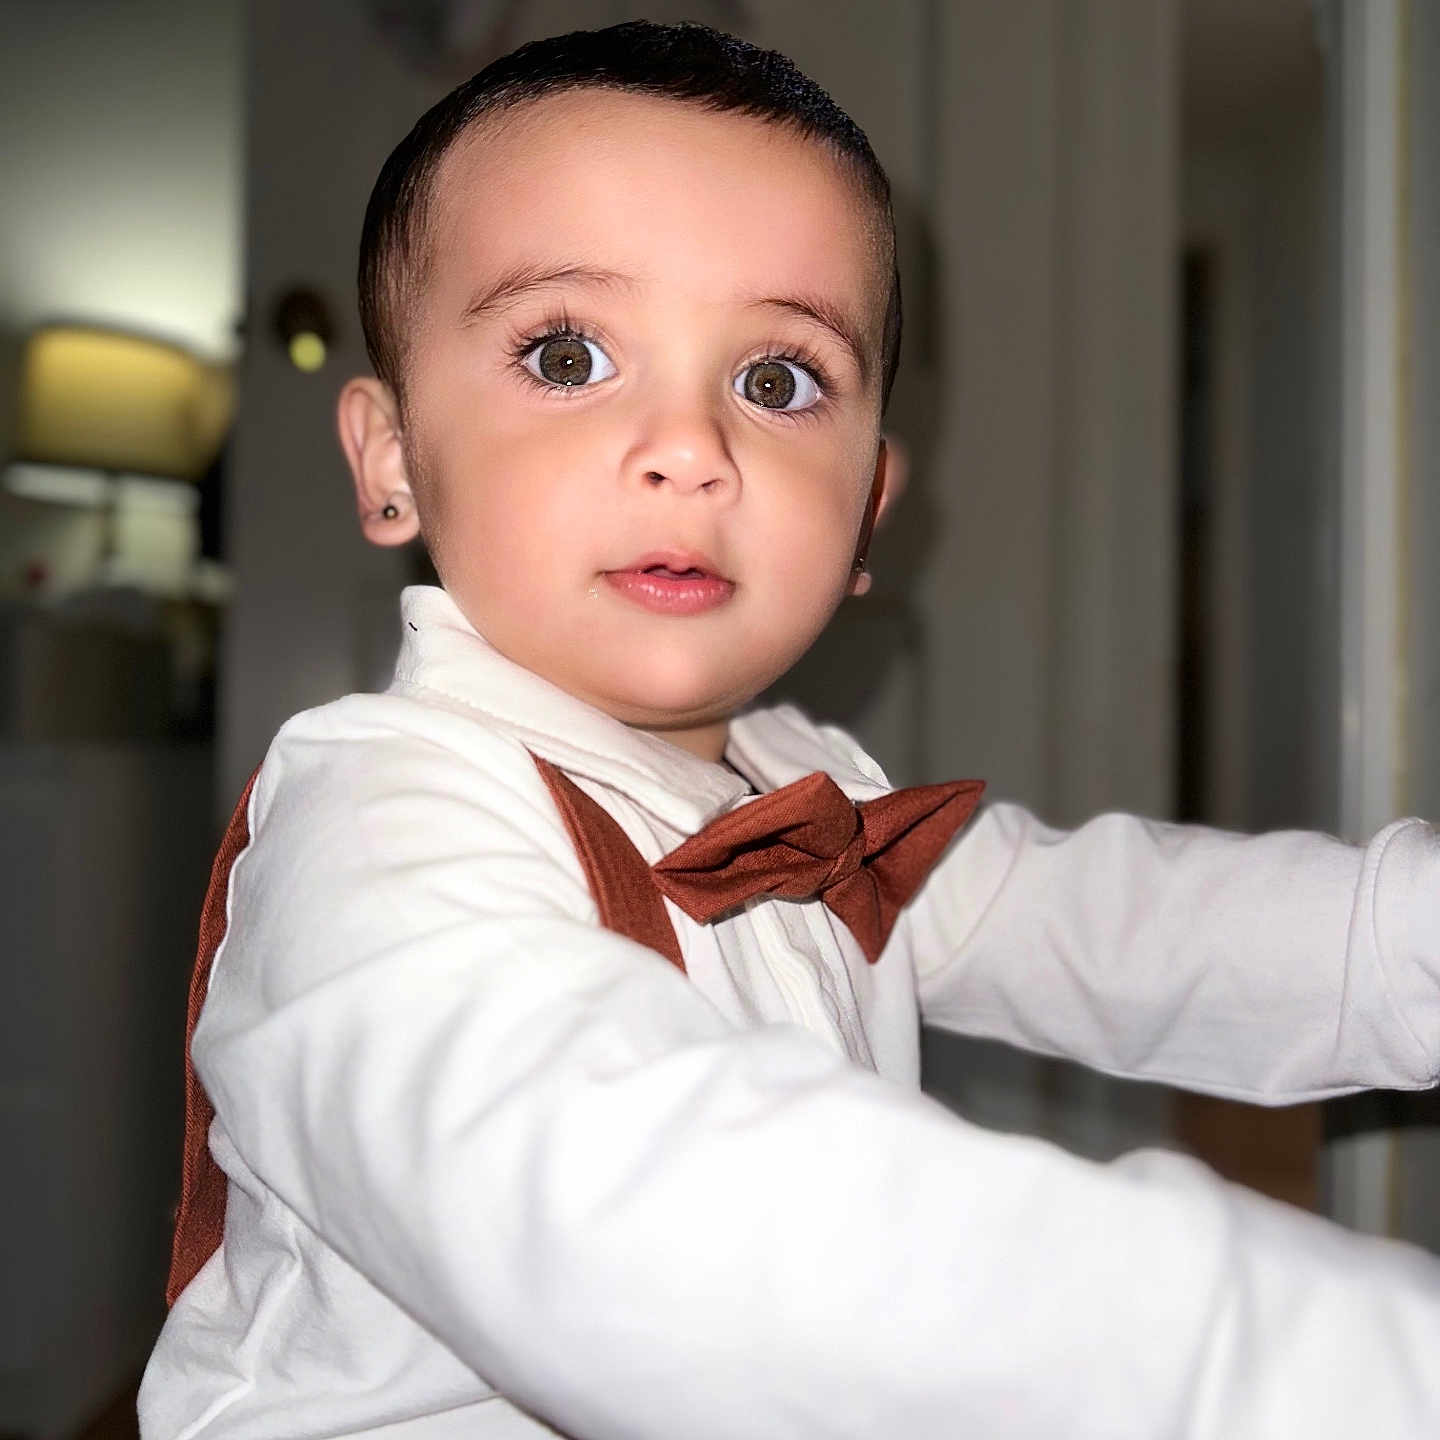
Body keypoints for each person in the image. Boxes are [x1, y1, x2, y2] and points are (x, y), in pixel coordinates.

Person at [141, 20, 1440, 1439]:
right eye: (568, 354)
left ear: (867, 510)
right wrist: (1340, 1369)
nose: (690, 448)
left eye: (778, 381)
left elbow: (1147, 931)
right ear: (393, 458)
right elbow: (658, 1226)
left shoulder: (807, 795)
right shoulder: (376, 828)